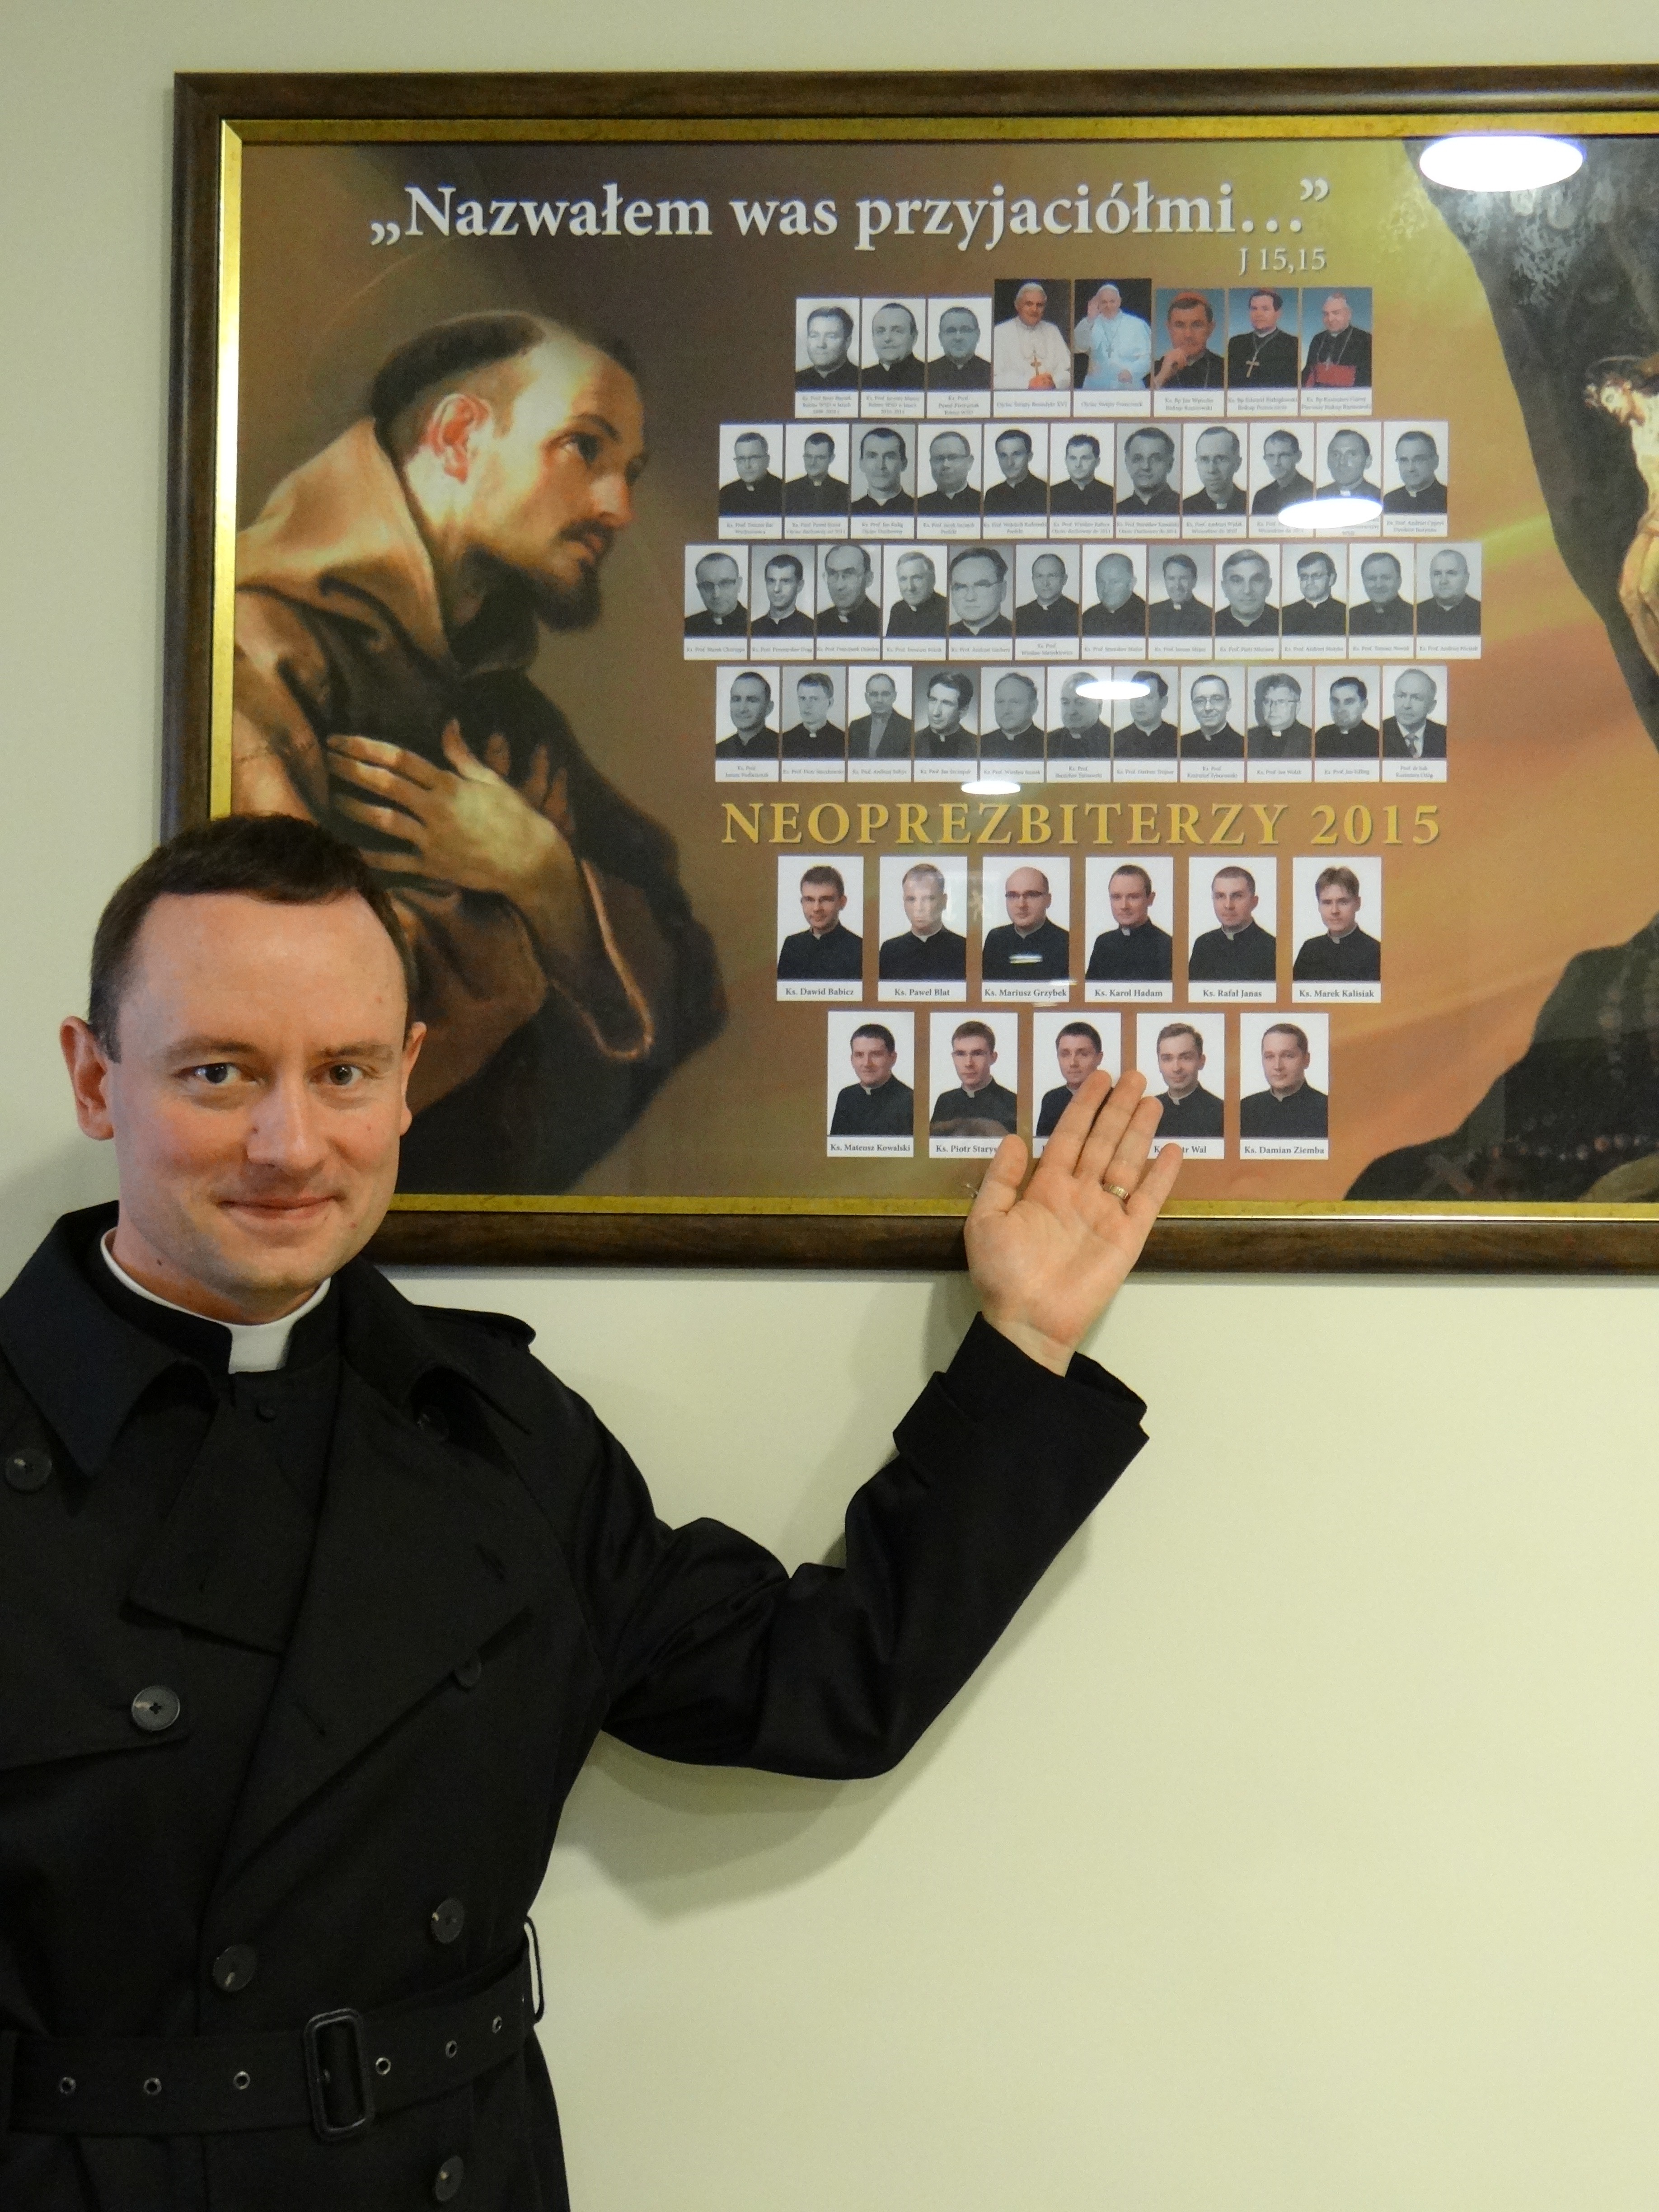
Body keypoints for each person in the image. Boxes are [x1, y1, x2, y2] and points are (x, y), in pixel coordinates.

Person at [4, 811, 1179, 2210]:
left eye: (344, 1072)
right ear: (97, 1079)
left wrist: (1023, 1346)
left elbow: (815, 1684)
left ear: (407, 1083)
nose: (290, 1141)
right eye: (220, 1072)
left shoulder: (491, 1426)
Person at [235, 313, 722, 1197]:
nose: (618, 508)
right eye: (584, 447)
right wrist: (521, 916)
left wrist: (543, 874)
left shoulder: (500, 699)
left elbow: (690, 982)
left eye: (632, 472)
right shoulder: (257, 651)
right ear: (459, 436)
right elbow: (293, 1026)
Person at [878, 859, 970, 977]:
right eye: (911, 899)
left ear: (944, 901)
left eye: (928, 899)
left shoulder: (964, 950)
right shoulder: (890, 951)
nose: (919, 908)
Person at [1292, 864, 1381, 983]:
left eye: (1343, 902)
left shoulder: (1376, 952)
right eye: (1327, 903)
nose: (1335, 911)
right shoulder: (1309, 951)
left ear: (1358, 903)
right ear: (1319, 906)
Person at [1086, 863, 1174, 982]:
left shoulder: (1167, 946)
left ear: (1150, 899)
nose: (1124, 906)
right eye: (1117, 897)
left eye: (1133, 897)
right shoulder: (1103, 944)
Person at [1188, 865, 1277, 982]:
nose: (1228, 905)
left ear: (1254, 902)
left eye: (1237, 896)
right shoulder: (1203, 945)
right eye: (1220, 896)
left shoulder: (1273, 949)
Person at [930, 1019, 1021, 1133]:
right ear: (953, 1058)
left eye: (977, 1054)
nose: (969, 1063)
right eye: (960, 1054)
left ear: (993, 1058)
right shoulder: (945, 1102)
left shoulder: (1012, 1103)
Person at [1240, 1021, 1329, 1136]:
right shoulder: (1245, 1109)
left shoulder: (1328, 1110)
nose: (1278, 1067)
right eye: (1270, 1057)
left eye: (1288, 1056)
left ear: (1306, 1060)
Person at [778, 862, 865, 980]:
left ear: (842, 902)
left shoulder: (860, 949)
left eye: (826, 900)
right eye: (809, 900)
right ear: (802, 902)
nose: (817, 908)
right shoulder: (792, 945)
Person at [983, 867, 1071, 980]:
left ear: (1048, 900)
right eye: (1013, 896)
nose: (1021, 905)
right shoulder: (996, 940)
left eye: (1031, 895)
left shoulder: (1067, 942)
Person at [829, 1022, 916, 1135]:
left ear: (893, 1058)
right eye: (859, 1055)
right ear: (852, 1060)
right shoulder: (846, 1097)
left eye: (876, 1055)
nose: (867, 1064)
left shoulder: (910, 1101)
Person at [992, 283, 1073, 391]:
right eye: (1029, 304)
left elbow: (1069, 372)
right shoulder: (1000, 332)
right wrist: (1028, 385)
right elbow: (993, 379)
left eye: (1040, 305)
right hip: (1016, 399)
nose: (1034, 310)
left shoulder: (1052, 331)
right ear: (1017, 306)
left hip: (1051, 397)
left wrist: (1054, 382)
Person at [1150, 1020, 1224, 1138]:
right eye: (1167, 1059)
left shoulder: (1222, 1113)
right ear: (1159, 1064)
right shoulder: (1149, 1109)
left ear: (1201, 1061)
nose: (1176, 1068)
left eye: (1186, 1058)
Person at [1074, 282, 1153, 390]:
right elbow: (1078, 347)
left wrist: (1132, 372)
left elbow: (1148, 357)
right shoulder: (1090, 324)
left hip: (1129, 388)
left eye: (1112, 301)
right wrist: (1090, 320)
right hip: (1096, 388)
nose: (1109, 306)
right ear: (1098, 304)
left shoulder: (1137, 325)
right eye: (1104, 302)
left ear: (1119, 301)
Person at [1037, 1022, 1107, 1135]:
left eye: (1083, 1054)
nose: (1073, 1063)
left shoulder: (1114, 1100)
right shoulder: (1052, 1100)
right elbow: (1042, 1144)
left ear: (1099, 1058)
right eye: (1065, 1055)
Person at [1150, 293, 1225, 390]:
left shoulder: (1226, 369)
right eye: (1180, 325)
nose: (1188, 335)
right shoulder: (1152, 370)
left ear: (1210, 329)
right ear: (1169, 329)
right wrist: (1162, 377)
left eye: (1197, 325)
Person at [1227, 288, 1299, 389]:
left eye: (1265, 309)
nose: (1258, 314)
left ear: (1278, 313)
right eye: (1254, 309)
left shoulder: (1293, 344)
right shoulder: (1236, 343)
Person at [1303, 291, 1373, 389]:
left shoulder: (1365, 339)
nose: (1330, 319)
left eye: (1336, 313)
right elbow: (1308, 375)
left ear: (1349, 314)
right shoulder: (1318, 339)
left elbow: (1367, 381)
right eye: (1326, 314)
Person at [815, 544, 883, 639]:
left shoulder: (881, 621)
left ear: (868, 579)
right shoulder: (818, 622)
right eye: (833, 574)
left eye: (849, 574)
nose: (839, 586)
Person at [979, 671, 1047, 766]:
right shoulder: (980, 744)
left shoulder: (1048, 744)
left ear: (1033, 707)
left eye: (1015, 702)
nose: (1006, 710)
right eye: (1000, 702)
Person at [1213, 549, 1280, 641]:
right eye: (1237, 581)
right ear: (1224, 588)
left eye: (1256, 580)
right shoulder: (1210, 623)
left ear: (1269, 586)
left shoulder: (1284, 621)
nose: (1247, 591)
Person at [947, 547, 1014, 639]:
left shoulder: (1017, 633)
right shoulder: (942, 634)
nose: (970, 597)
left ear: (1002, 590)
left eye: (981, 585)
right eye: (961, 587)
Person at [847, 670, 914, 761]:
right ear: (866, 698)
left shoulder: (909, 728)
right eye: (874, 694)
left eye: (885, 694)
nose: (879, 700)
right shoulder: (855, 727)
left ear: (894, 696)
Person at [981, 429, 1049, 519]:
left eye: (1016, 454)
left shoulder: (1045, 492)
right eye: (1003, 456)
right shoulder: (992, 495)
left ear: (1029, 457)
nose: (1010, 463)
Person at [850, 426, 916, 519]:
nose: (881, 466)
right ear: (862, 464)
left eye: (890, 457)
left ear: (904, 464)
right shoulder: (849, 511)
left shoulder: (920, 510)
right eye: (872, 456)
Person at [1382, 667, 1447, 759]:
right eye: (1402, 696)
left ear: (1431, 706)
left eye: (1416, 698)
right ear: (1395, 699)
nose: (1407, 705)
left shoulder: (1445, 736)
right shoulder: (1379, 733)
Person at [780, 670, 847, 761]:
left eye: (815, 699)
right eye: (803, 699)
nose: (807, 706)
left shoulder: (843, 741)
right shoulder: (785, 740)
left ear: (830, 703)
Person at [1113, 670, 1180, 761]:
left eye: (1148, 698)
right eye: (1135, 697)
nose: (1139, 704)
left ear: (1163, 702)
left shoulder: (1178, 738)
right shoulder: (1116, 740)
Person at [914, 670, 979, 764]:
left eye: (946, 703)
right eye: (933, 700)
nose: (936, 713)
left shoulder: (977, 746)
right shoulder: (911, 743)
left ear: (963, 710)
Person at [1048, 670, 1114, 760]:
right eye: (1065, 703)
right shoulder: (1049, 741)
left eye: (1080, 703)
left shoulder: (1113, 741)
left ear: (1099, 706)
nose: (1071, 711)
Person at [916, 430, 981, 520]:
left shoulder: (984, 502)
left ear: (969, 462)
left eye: (953, 457)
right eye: (939, 459)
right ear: (931, 463)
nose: (945, 465)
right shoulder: (918, 506)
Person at [715, 670, 780, 760]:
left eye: (752, 700)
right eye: (737, 700)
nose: (742, 709)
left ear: (769, 708)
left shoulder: (784, 748)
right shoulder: (719, 751)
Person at [1280, 549, 1347, 637]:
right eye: (1304, 577)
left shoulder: (1346, 614)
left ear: (1331, 579)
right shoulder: (1284, 614)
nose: (1309, 582)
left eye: (1316, 576)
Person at [1082, 552, 1148, 641]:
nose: (1106, 590)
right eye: (1101, 582)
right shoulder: (1088, 617)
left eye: (1114, 583)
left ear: (1131, 584)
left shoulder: (1148, 618)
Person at [1182, 426, 1247, 517]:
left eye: (1221, 459)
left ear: (1237, 464)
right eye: (1204, 460)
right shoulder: (1185, 508)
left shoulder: (1251, 503)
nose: (1211, 470)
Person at [1247, 671, 1313, 759]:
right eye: (1267, 701)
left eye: (1281, 702)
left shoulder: (1311, 739)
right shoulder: (1249, 738)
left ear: (1297, 707)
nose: (1272, 708)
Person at [1416, 547, 1481, 636]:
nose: (1443, 581)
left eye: (1451, 573)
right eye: (1437, 574)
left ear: (1466, 578)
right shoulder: (1415, 614)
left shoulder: (1483, 613)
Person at [1118, 426, 1181, 519]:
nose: (1146, 467)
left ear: (1170, 465)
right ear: (1127, 464)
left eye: (1155, 459)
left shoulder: (1185, 507)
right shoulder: (1117, 510)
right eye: (1138, 459)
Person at [1348, 549, 1413, 637]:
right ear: (1364, 582)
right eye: (1372, 579)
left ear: (1399, 581)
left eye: (1386, 578)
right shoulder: (1353, 616)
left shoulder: (1413, 616)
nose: (1379, 585)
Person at [927, 304, 993, 392]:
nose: (958, 338)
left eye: (966, 330)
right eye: (951, 331)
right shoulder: (926, 373)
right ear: (941, 338)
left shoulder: (992, 372)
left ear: (978, 335)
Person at [885, 550, 949, 640]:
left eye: (917, 578)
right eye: (903, 579)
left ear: (933, 579)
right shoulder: (897, 610)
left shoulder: (947, 610)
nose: (910, 587)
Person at [1049, 432, 1117, 516]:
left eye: (1085, 459)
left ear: (1097, 462)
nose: (1078, 465)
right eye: (1073, 458)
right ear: (1066, 461)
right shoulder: (1051, 495)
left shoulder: (1111, 495)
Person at [684, 550, 749, 638]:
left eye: (725, 584)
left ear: (739, 585)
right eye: (707, 586)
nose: (716, 595)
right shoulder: (687, 627)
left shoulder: (754, 626)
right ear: (699, 589)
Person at [718, 430, 783, 518]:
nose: (747, 466)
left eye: (754, 458)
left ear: (767, 461)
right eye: (741, 459)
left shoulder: (783, 491)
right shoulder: (726, 494)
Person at [1251, 428, 1314, 518]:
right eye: (1271, 456)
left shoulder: (1311, 492)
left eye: (1283, 456)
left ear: (1298, 457)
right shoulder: (1261, 496)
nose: (1276, 463)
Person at [862, 302, 925, 392]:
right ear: (873, 337)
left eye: (897, 331)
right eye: (880, 332)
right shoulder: (860, 379)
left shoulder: (930, 376)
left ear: (914, 337)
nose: (887, 338)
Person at [1016, 553, 1081, 639]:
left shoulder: (1078, 614)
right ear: (1033, 580)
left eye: (1052, 576)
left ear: (1064, 579)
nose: (1045, 583)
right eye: (1040, 576)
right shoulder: (1019, 615)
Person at [751, 551, 815, 639]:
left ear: (800, 586)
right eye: (771, 581)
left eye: (785, 582)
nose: (777, 589)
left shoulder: (812, 630)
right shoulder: (752, 629)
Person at [783, 432, 850, 516]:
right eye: (809, 456)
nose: (813, 463)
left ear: (831, 459)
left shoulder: (845, 492)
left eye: (820, 458)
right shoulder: (788, 490)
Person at [796, 302, 860, 390]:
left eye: (831, 337)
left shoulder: (864, 380)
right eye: (814, 336)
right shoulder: (797, 380)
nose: (821, 345)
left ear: (847, 342)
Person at [1181, 672, 1245, 761]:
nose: (1208, 708)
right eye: (1200, 701)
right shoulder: (1181, 745)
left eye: (1217, 699)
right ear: (1193, 707)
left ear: (1228, 704)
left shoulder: (1244, 746)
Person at [1314, 675, 1380, 759]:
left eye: (1349, 702)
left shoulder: (1377, 740)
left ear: (1364, 705)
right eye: (1335, 701)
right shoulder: (1321, 736)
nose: (1340, 710)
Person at [1148, 553, 1213, 640]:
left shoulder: (1209, 617)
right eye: (1171, 579)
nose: (1177, 586)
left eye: (1183, 579)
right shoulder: (1151, 612)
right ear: (1165, 581)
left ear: (1194, 582)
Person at [1384, 429, 1448, 515]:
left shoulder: (1449, 498)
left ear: (1435, 462)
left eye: (1418, 460)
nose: (1411, 469)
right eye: (1404, 461)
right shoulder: (1390, 501)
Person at [1316, 428, 1382, 507]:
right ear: (1328, 462)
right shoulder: (1317, 497)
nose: (1342, 462)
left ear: (1368, 461)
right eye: (1336, 455)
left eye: (1352, 455)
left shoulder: (1379, 498)